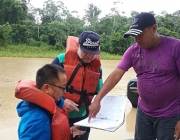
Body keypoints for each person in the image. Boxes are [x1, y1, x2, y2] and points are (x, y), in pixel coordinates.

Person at [88, 12, 180, 140]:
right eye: (134, 36)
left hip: (170, 115)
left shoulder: (175, 47)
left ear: (154, 28)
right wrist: (97, 100)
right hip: (144, 112)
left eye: (140, 34)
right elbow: (115, 75)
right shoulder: (133, 51)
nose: (137, 39)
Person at [52, 31, 103, 140]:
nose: (89, 55)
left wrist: (98, 102)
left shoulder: (97, 67)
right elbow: (45, 88)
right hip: (60, 115)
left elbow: (99, 92)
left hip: (83, 119)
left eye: (93, 52)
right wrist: (62, 102)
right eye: (86, 51)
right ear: (78, 46)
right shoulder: (61, 60)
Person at [15, 64, 85, 140]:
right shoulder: (38, 119)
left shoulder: (48, 109)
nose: (65, 92)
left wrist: (68, 133)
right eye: (62, 87)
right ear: (46, 88)